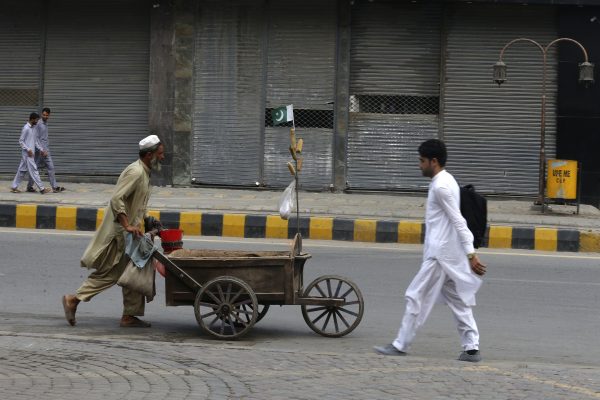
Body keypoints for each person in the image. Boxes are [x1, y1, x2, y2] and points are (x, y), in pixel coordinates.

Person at [374, 139, 487, 362]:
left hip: (440, 255)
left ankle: (400, 344)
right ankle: (472, 348)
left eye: (421, 161)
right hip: (447, 254)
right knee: (457, 301)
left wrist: (471, 254)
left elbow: (459, 221)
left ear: (433, 161)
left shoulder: (442, 186)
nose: (419, 165)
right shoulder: (445, 180)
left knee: (416, 296)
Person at [61, 134, 165, 328]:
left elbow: (136, 203)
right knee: (114, 274)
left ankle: (129, 315)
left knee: (135, 270)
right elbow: (117, 199)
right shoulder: (135, 172)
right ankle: (73, 299)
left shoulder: (144, 172)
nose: (163, 157)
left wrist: (147, 220)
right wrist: (127, 225)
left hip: (133, 234)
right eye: (160, 154)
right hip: (122, 234)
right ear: (149, 154)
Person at [10, 112, 52, 194]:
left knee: (21, 171)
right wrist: (28, 149)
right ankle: (42, 189)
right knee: (34, 171)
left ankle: (14, 187)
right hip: (28, 154)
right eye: (36, 120)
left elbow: (35, 141)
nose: (37, 121)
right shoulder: (26, 128)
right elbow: (21, 141)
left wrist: (41, 149)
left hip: (30, 154)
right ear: (32, 119)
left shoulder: (33, 128)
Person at [27, 108, 65, 193]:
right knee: (34, 168)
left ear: (49, 115)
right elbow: (35, 138)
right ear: (41, 114)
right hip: (40, 151)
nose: (45, 116)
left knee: (50, 167)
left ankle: (54, 187)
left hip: (46, 150)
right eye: (44, 115)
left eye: (47, 115)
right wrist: (41, 149)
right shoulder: (38, 124)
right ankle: (29, 186)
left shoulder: (45, 123)